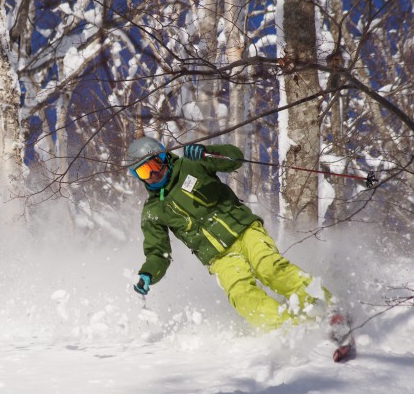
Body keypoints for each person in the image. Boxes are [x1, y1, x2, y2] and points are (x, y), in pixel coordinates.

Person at [126, 136, 336, 331]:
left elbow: (234, 159)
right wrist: (148, 273)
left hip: (244, 230)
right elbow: (157, 252)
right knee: (240, 293)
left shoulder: (191, 165)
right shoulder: (153, 210)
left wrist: (207, 152)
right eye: (143, 172)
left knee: (269, 268)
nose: (153, 174)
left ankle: (327, 308)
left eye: (154, 165)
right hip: (220, 257)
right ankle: (287, 329)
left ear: (164, 157)